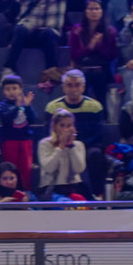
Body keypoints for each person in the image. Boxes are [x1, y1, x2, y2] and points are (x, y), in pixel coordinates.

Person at [44, 68, 106, 196]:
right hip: (60, 144)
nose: (73, 89)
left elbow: (98, 135)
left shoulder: (95, 107)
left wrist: (77, 144)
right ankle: (54, 195)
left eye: (77, 85)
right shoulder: (52, 107)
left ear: (83, 87)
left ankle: (97, 195)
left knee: (96, 154)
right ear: (63, 88)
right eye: (69, 85)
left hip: (88, 145)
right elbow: (49, 133)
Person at [2, 0, 73, 77]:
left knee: (47, 33)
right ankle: (8, 68)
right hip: (29, 29)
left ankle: (51, 71)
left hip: (50, 30)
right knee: (20, 30)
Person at [67, 0, 118, 104]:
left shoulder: (110, 31)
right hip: (82, 67)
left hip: (102, 69)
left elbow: (111, 55)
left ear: (102, 11)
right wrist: (90, 46)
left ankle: (101, 115)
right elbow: (75, 55)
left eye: (97, 8)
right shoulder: (77, 30)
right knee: (84, 76)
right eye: (90, 9)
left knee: (97, 75)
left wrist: (99, 45)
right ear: (85, 11)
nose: (94, 12)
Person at [0, 74, 37, 191]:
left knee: (25, 168)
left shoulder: (26, 104)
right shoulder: (3, 106)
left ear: (21, 89)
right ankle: (9, 191)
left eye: (14, 88)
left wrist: (28, 106)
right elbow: (6, 117)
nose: (11, 92)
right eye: (8, 89)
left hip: (25, 141)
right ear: (3, 91)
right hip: (10, 141)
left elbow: (33, 119)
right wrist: (17, 106)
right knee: (10, 168)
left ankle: (25, 191)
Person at [38, 108, 88, 198]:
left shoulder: (78, 145)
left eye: (69, 126)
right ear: (54, 127)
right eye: (62, 125)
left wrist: (71, 146)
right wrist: (60, 147)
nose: (66, 129)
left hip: (74, 186)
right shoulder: (44, 144)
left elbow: (79, 169)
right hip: (51, 187)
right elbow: (49, 168)